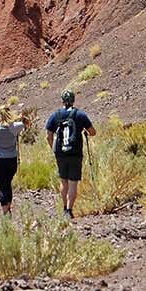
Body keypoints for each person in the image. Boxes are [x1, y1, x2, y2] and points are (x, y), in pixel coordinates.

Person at [44, 89, 95, 220]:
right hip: (75, 153)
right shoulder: (80, 115)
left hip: (60, 153)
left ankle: (64, 208)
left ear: (62, 101)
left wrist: (53, 149)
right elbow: (93, 132)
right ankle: (69, 210)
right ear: (73, 100)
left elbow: (48, 135)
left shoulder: (55, 115)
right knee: (73, 183)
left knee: (63, 181)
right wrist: (84, 131)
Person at [0, 102, 24, 217]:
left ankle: (5, 212)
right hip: (11, 159)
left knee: (2, 186)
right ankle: (8, 207)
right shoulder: (15, 127)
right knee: (8, 184)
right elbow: (23, 124)